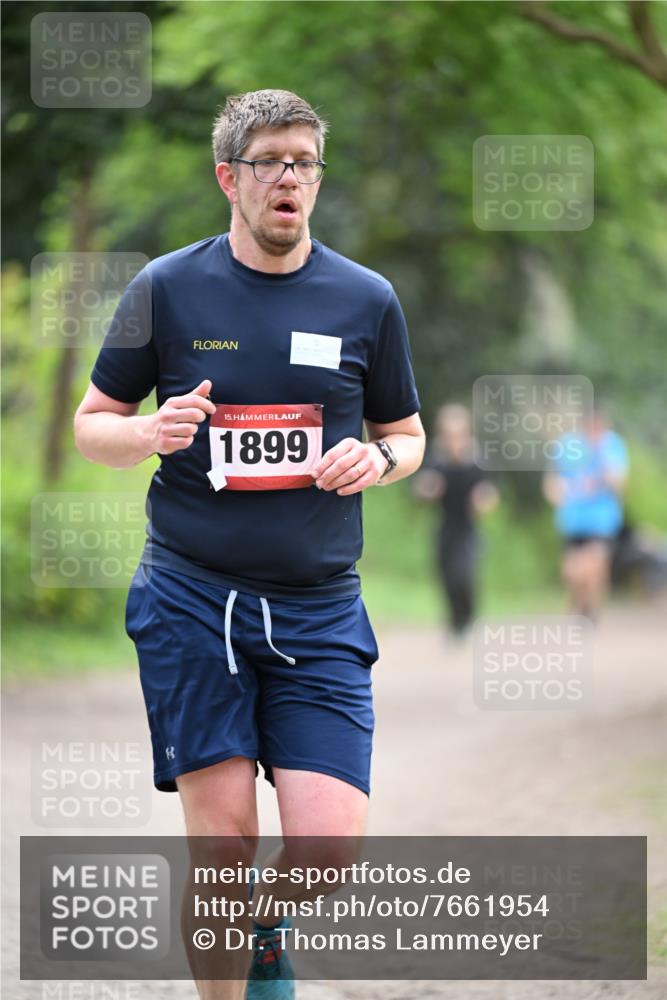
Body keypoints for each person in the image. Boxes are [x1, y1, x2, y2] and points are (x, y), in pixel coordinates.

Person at [73, 89, 425, 999]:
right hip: (192, 596)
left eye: (304, 162)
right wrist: (147, 433)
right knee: (223, 847)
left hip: (317, 606)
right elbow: (92, 423)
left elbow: (407, 434)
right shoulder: (166, 289)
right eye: (269, 162)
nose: (288, 178)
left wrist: (378, 458)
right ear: (229, 178)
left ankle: (262, 930)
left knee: (327, 846)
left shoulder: (365, 298)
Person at [414, 404, 497, 635]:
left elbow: (490, 490)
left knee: (464, 574)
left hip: (468, 528)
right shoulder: (436, 457)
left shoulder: (477, 458)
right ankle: (454, 621)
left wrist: (484, 499)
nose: (453, 440)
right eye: (448, 434)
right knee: (446, 576)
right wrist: (426, 489)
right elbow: (421, 486)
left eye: (458, 433)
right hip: (445, 526)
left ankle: (468, 617)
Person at [542, 410, 628, 621]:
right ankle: (579, 602)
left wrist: (602, 458)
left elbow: (619, 483)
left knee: (595, 566)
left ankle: (592, 611)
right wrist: (557, 495)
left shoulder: (612, 446)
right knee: (572, 571)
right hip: (573, 520)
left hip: (602, 520)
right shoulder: (567, 445)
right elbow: (552, 480)